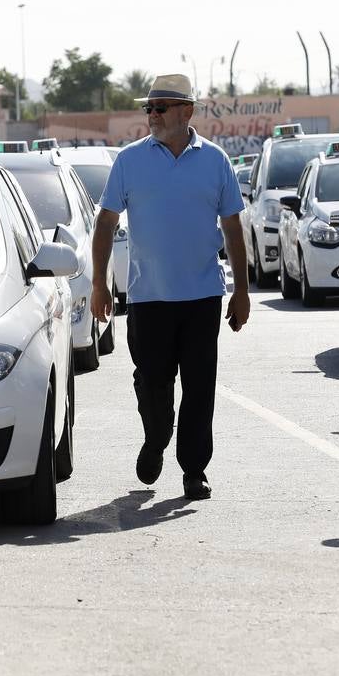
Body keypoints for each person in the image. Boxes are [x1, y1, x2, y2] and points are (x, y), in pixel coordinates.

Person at [90, 73, 250, 501]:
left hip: (202, 297)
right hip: (148, 298)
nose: (152, 115)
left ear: (186, 111)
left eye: (160, 107)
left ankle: (194, 470)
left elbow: (233, 226)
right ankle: (156, 436)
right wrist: (99, 284)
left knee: (200, 387)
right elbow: (105, 222)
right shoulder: (129, 161)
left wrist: (242, 290)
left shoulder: (215, 161)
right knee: (152, 381)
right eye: (149, 108)